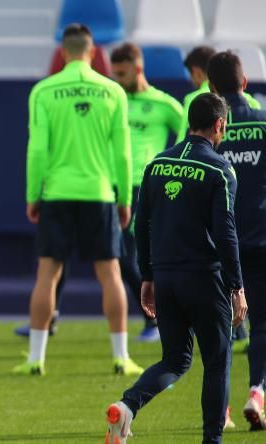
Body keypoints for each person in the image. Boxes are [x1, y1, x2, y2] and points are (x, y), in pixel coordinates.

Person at [105, 92, 247, 444]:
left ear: (188, 122)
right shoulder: (219, 169)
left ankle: (127, 406)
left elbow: (141, 225)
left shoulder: (156, 164)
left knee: (175, 360)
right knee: (216, 361)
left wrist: (147, 276)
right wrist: (237, 285)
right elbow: (225, 232)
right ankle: (211, 440)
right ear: (220, 124)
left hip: (165, 277)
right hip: (204, 277)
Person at [17, 24, 143, 376]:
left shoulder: (43, 91)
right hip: (99, 192)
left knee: (48, 274)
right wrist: (123, 197)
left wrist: (33, 194)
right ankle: (121, 357)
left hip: (57, 192)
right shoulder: (113, 91)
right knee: (111, 274)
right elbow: (122, 152)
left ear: (63, 52)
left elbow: (37, 150)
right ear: (92, 52)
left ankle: (35, 359)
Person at [108, 42, 185, 342]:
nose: (117, 79)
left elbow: (190, 136)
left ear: (138, 69)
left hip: (148, 187)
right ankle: (154, 318)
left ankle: (158, 319)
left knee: (138, 254)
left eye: (122, 73)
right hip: (115, 185)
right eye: (114, 74)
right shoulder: (114, 100)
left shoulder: (164, 104)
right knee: (122, 255)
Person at [205, 51, 266, 431]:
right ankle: (258, 391)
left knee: (221, 328)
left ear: (212, 87)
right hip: (262, 239)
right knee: (263, 323)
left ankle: (221, 410)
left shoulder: (207, 130)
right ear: (245, 83)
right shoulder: (263, 122)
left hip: (219, 244)